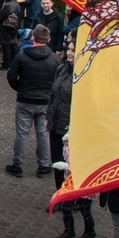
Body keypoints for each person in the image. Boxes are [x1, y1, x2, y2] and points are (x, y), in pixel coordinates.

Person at [5, 24, 62, 179]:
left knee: (22, 134)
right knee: (43, 134)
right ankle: (43, 165)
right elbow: (59, 81)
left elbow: (11, 76)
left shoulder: (22, 56)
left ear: (33, 38)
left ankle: (17, 165)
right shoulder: (56, 59)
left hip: (25, 100)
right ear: (49, 39)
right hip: (45, 101)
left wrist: (20, 88)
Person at [47, 41, 75, 192]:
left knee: (70, 164)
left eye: (73, 50)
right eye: (68, 49)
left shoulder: (82, 74)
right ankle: (60, 193)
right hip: (55, 123)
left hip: (70, 127)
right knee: (57, 162)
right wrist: (48, 117)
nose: (69, 53)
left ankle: (73, 196)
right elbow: (52, 95)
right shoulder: (61, 69)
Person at [0, 0, 21, 70]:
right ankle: (11, 61)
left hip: (6, 27)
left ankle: (6, 64)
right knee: (12, 45)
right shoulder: (16, 3)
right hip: (13, 26)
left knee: (6, 46)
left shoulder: (8, 5)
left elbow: (1, 16)